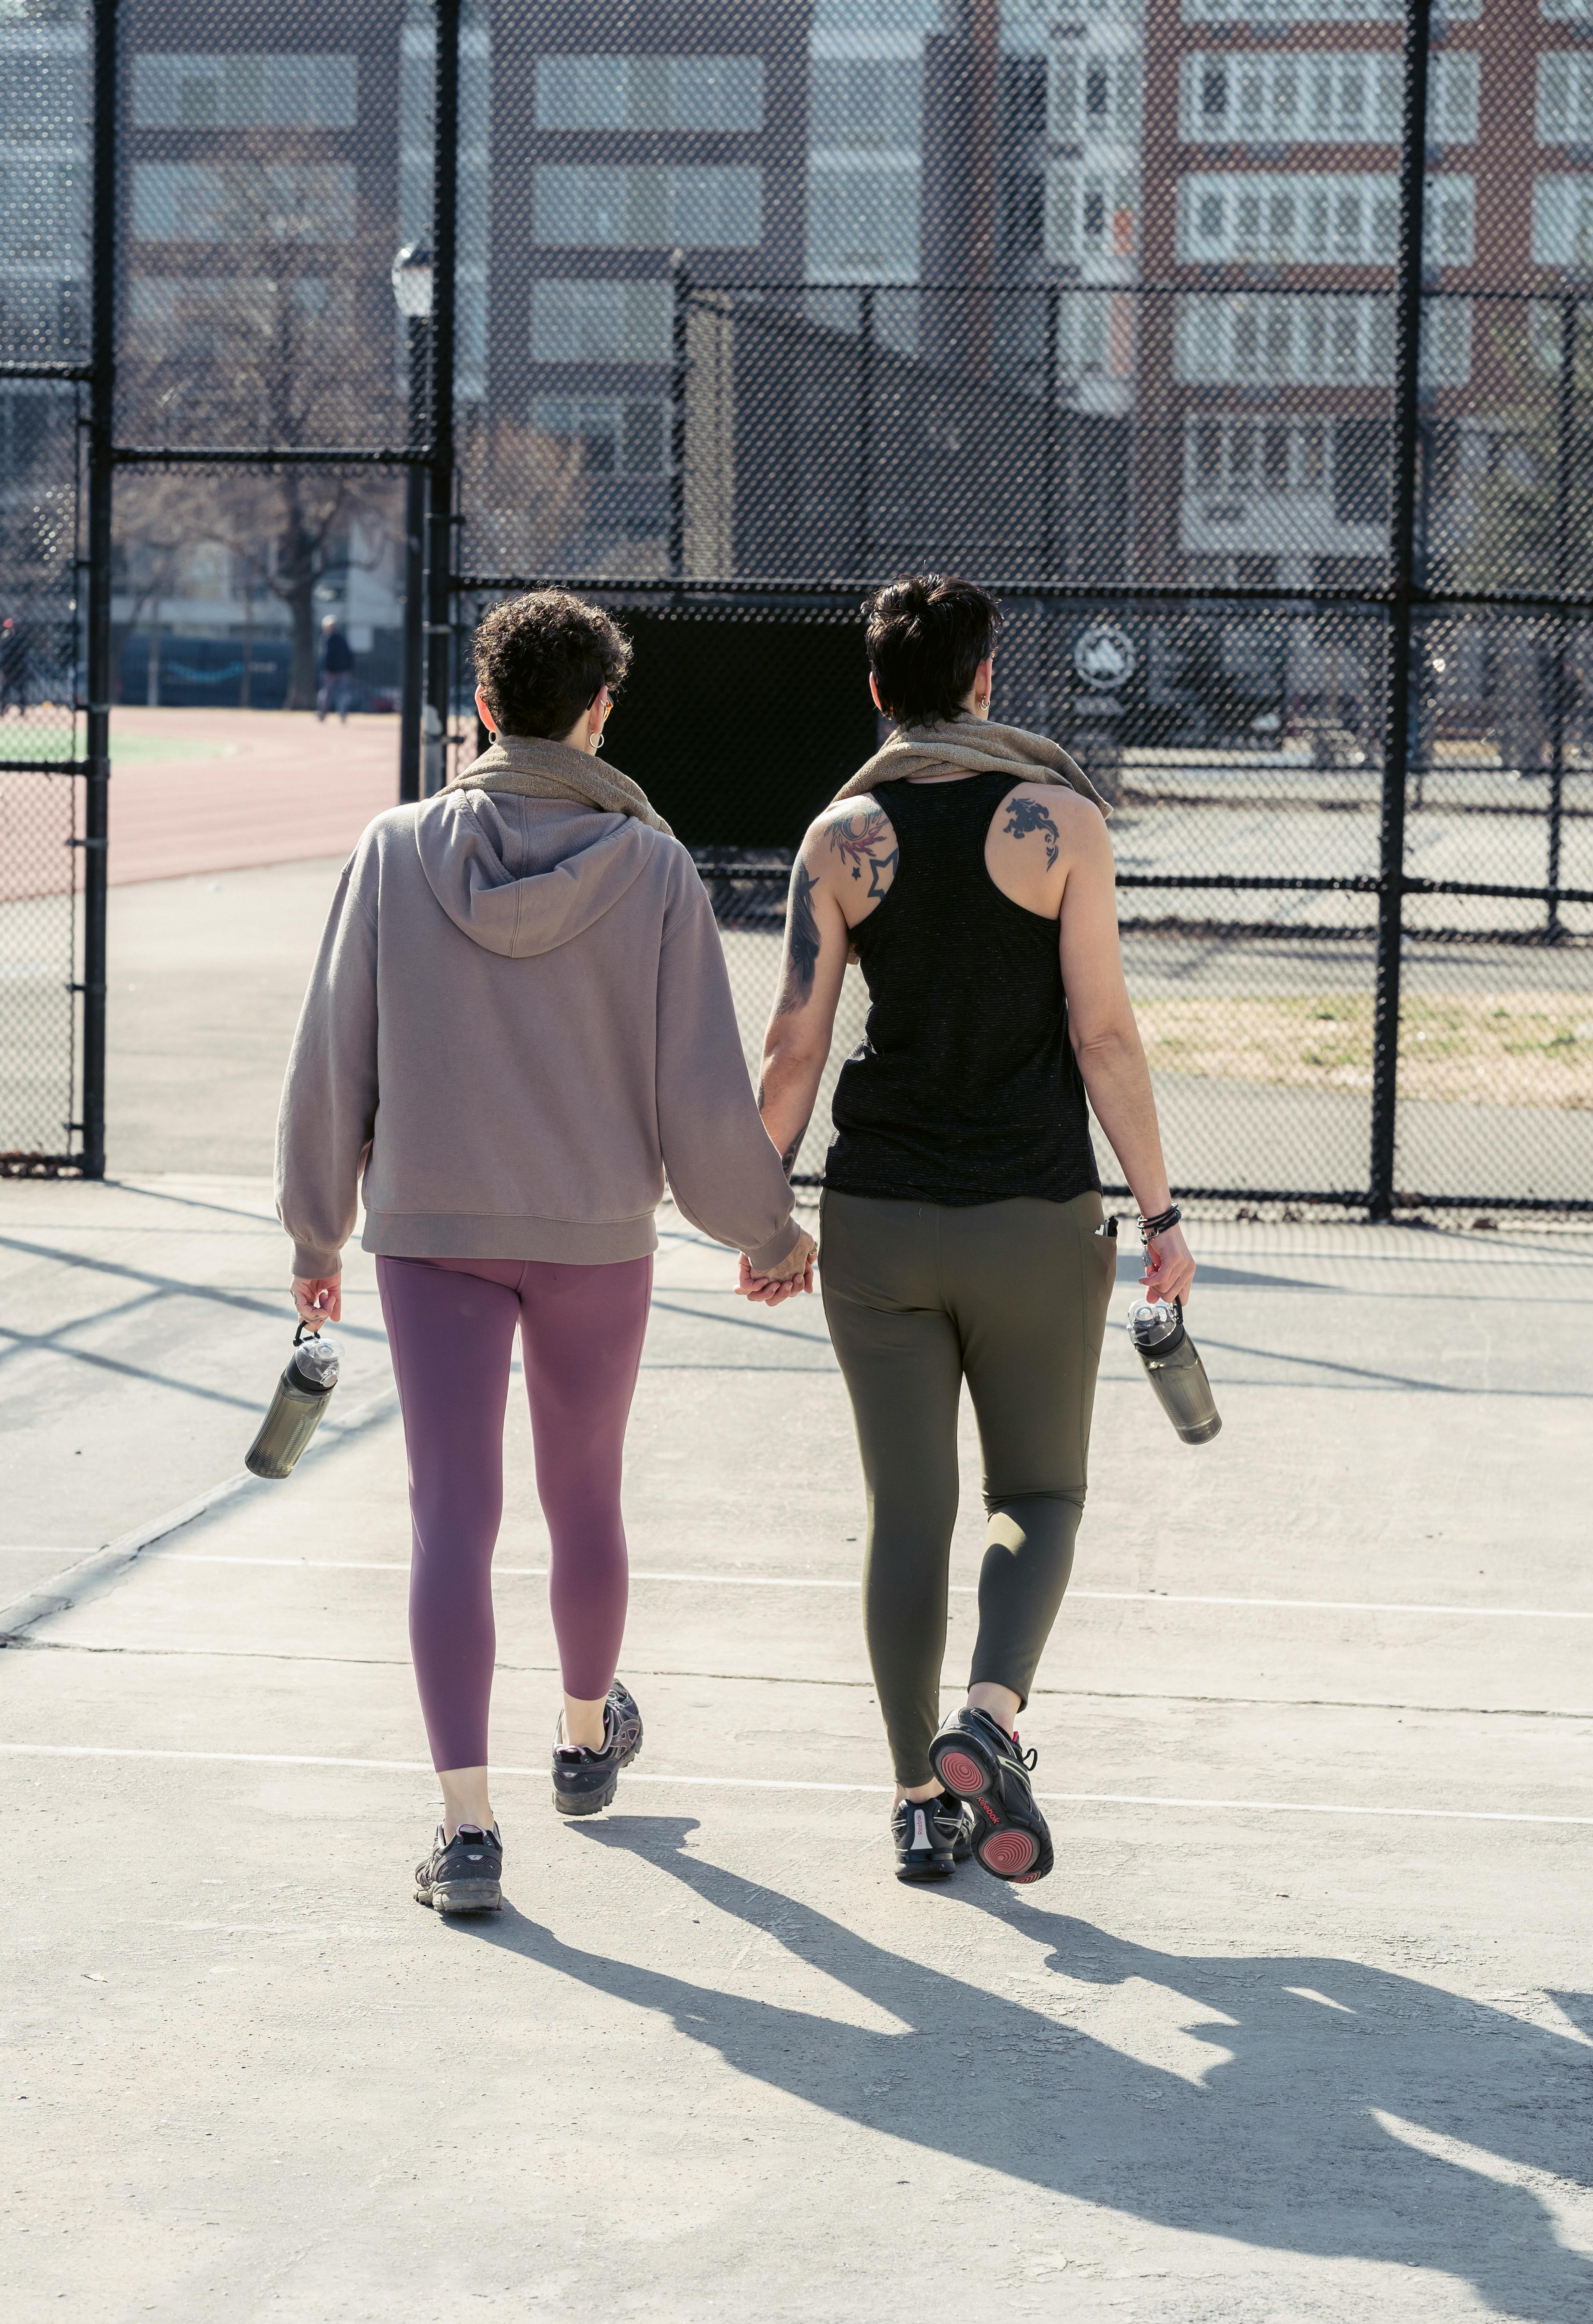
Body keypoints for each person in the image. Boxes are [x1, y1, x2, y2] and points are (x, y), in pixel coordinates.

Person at [276, 589, 816, 1917]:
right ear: (599, 713)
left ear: (482, 707)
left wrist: (315, 1229)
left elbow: (332, 1053)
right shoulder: (655, 868)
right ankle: (583, 1740)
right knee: (586, 1496)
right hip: (592, 1237)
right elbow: (699, 1095)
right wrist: (768, 1227)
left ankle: (466, 1831)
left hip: (433, 1230)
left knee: (451, 1513)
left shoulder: (396, 851)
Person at [746, 573, 1194, 1888]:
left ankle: (911, 1805)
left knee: (907, 1515)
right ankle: (986, 1723)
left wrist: (761, 1209)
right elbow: (1104, 1034)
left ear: (880, 690)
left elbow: (793, 1047)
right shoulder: (1060, 820)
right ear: (988, 682)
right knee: (1038, 1496)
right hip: (1032, 1217)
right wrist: (1160, 1211)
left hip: (879, 1220)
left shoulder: (841, 837)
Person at [316, 615, 354, 721]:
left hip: (332, 671)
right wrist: (349, 668)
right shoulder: (342, 638)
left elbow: (326, 656)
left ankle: (323, 715)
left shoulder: (327, 639)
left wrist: (327, 669)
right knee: (341, 694)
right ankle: (342, 715)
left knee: (327, 694)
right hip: (343, 670)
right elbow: (349, 654)